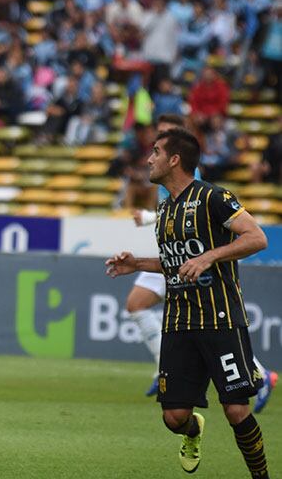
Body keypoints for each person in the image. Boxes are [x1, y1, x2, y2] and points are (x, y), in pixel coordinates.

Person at [107, 128, 271, 476]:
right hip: (178, 323)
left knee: (236, 410)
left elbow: (256, 237)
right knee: (173, 417)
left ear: (174, 159)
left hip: (220, 318)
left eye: (155, 152)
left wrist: (210, 256)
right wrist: (137, 264)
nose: (149, 159)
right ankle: (193, 431)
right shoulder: (165, 210)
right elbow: (175, 265)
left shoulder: (214, 196)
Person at [127, 114, 277, 411]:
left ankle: (257, 372)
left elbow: (195, 214)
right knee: (139, 304)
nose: (151, 155)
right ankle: (168, 371)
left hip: (193, 252)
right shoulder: (164, 190)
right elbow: (174, 212)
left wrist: (148, 220)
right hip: (175, 250)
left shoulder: (196, 184)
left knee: (206, 320)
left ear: (175, 155)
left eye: (159, 145)